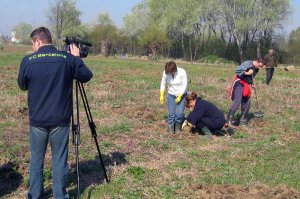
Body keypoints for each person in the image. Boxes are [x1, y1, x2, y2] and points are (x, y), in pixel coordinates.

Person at [18, 27, 93, 199]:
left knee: (36, 160)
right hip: (60, 120)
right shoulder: (67, 59)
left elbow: (22, 85)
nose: (32, 47)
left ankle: (35, 195)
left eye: (32, 43)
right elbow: (87, 75)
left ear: (38, 41)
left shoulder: (28, 60)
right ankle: (60, 195)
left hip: (37, 120)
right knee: (59, 161)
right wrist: (77, 59)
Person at [227, 58, 266, 126]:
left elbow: (250, 78)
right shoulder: (247, 63)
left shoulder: (256, 69)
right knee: (237, 101)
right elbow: (237, 71)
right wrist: (248, 73)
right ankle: (229, 119)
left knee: (247, 102)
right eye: (259, 66)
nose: (259, 67)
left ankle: (243, 121)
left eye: (261, 67)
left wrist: (252, 83)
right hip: (239, 82)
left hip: (246, 85)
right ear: (257, 62)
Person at [160, 61, 188, 133]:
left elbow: (185, 84)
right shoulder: (165, 72)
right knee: (171, 114)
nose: (168, 73)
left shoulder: (182, 72)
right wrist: (161, 95)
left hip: (182, 96)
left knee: (179, 114)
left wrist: (180, 95)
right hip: (171, 95)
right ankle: (171, 130)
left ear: (174, 70)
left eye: (170, 72)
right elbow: (163, 83)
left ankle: (178, 129)